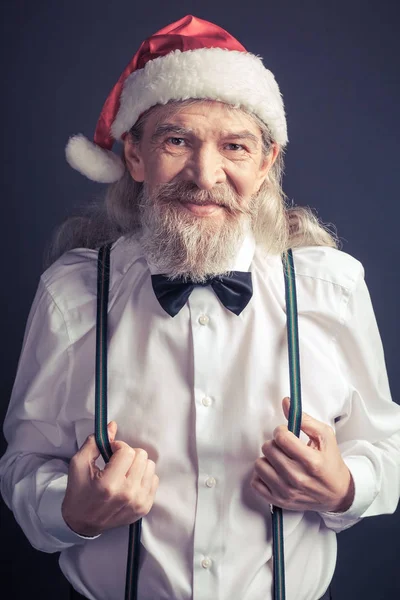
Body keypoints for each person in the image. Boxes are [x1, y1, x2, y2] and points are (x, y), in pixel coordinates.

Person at [0, 14, 399, 600]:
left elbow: (387, 448)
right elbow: (23, 464)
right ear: (134, 155)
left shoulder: (331, 287)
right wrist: (71, 510)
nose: (204, 174)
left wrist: (344, 486)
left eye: (234, 146)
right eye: (177, 140)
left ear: (265, 164)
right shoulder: (73, 293)